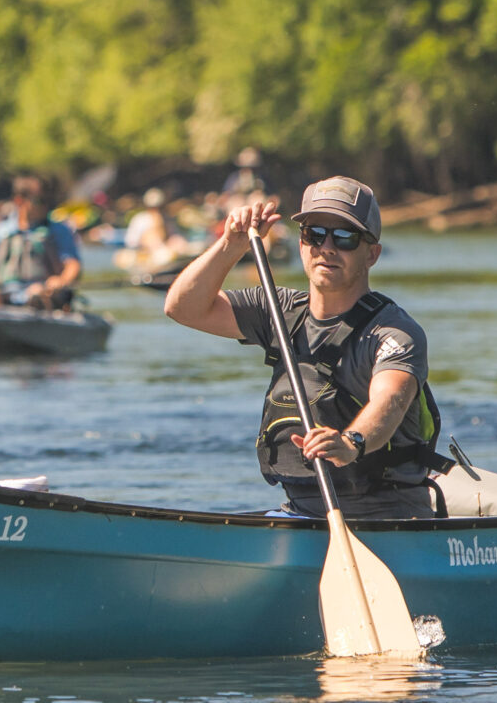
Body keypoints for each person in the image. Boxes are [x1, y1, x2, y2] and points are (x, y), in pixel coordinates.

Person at [163, 178, 448, 522]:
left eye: (345, 237)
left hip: (391, 518)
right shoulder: (277, 309)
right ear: (301, 244)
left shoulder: (395, 332)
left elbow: (391, 401)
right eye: (315, 234)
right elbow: (183, 308)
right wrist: (230, 245)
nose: (327, 247)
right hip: (302, 514)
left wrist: (350, 442)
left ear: (371, 253)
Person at [0, 175, 84, 310]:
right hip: (7, 294)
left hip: (44, 292)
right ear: (19, 201)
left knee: (36, 293)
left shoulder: (58, 230)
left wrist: (62, 281)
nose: (45, 206)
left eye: (47, 201)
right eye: (39, 201)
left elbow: (73, 265)